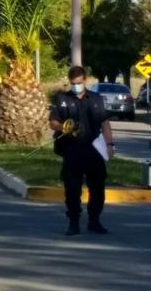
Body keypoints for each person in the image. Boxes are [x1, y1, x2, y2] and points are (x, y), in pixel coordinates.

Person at [49, 66, 115, 236]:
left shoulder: (96, 99)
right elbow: (53, 122)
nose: (75, 86)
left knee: (98, 187)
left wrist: (109, 144)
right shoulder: (62, 99)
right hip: (71, 150)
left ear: (85, 80)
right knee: (72, 188)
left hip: (93, 150)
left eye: (78, 83)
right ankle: (74, 222)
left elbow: (105, 124)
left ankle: (94, 220)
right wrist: (63, 127)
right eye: (72, 83)